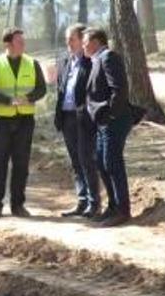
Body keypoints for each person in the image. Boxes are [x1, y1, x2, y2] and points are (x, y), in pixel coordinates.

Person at [0, 27, 47, 218]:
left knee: (21, 163)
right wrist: (9, 100)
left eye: (23, 42)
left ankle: (18, 205)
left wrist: (29, 97)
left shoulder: (32, 63)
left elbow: (41, 89)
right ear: (8, 44)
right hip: (1, 119)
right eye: (19, 42)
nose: (23, 45)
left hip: (25, 119)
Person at [83, 27, 133, 227]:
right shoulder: (97, 59)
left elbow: (119, 89)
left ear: (95, 42)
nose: (83, 46)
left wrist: (110, 113)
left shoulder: (108, 56)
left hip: (115, 120)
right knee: (102, 162)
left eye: (86, 42)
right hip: (103, 121)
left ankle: (122, 209)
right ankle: (112, 206)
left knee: (112, 162)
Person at [53, 23, 100, 218]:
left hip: (84, 119)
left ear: (82, 41)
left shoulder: (91, 62)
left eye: (71, 39)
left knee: (87, 159)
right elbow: (60, 88)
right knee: (75, 161)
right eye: (67, 39)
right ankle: (81, 200)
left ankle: (94, 202)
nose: (68, 43)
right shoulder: (64, 61)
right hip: (67, 117)